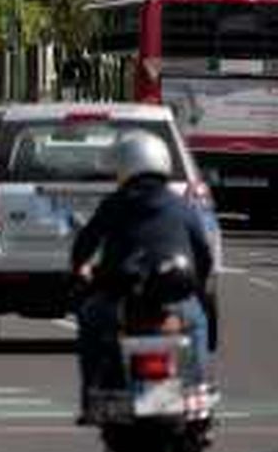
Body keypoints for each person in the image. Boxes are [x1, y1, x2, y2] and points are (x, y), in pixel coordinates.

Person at [70, 131, 215, 413]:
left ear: (124, 166)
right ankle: (197, 389)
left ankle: (92, 396)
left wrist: (79, 272)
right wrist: (197, 285)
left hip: (122, 294)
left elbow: (85, 244)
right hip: (174, 294)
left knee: (90, 319)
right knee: (198, 322)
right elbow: (203, 252)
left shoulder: (115, 203)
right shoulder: (181, 205)